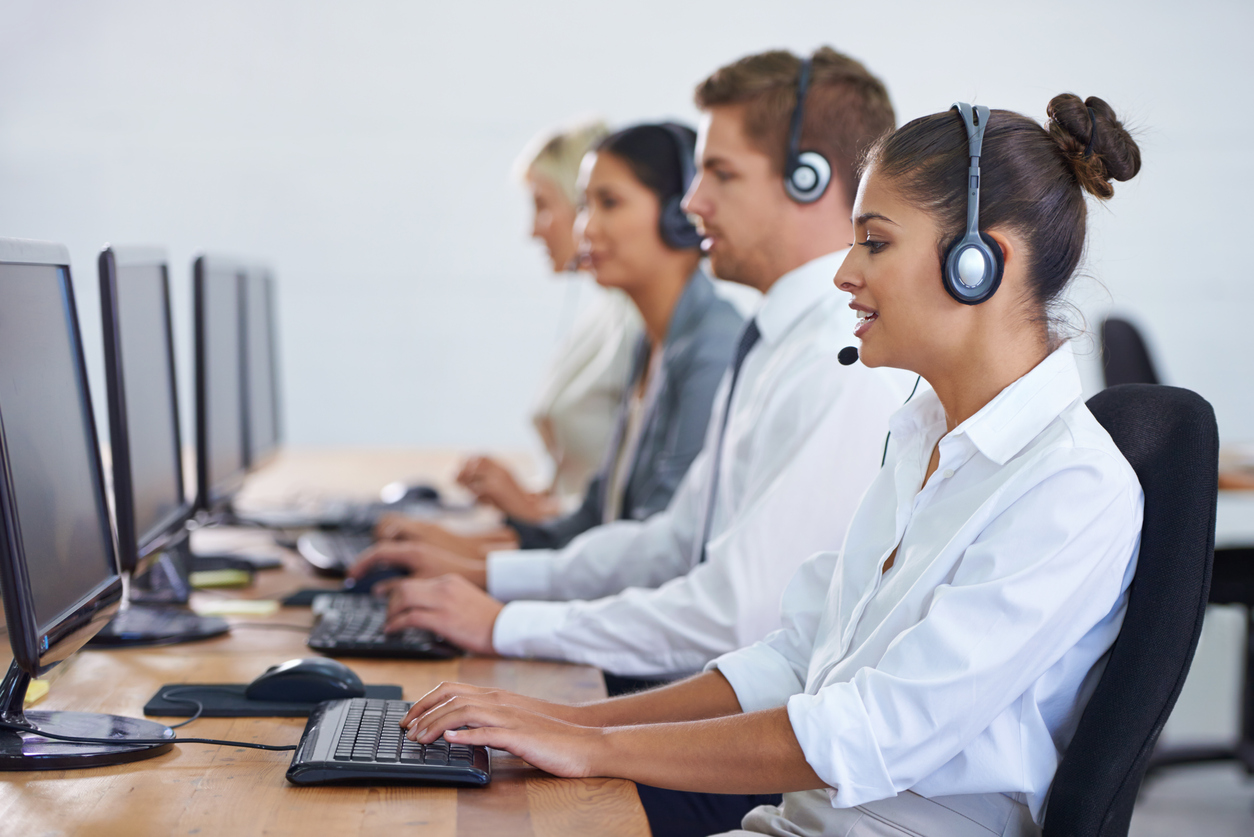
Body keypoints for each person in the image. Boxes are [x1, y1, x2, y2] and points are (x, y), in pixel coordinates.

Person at [386, 91, 1146, 837]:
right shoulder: (920, 436)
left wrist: (592, 745)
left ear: (982, 263)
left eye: (875, 243)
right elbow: (795, 657)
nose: (845, 272)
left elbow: (867, 730)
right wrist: (568, 723)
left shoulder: (1071, 486)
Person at [354, 47, 910, 833]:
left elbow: (733, 616)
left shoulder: (836, 365)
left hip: (747, 753)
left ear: (808, 179)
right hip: (714, 713)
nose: (691, 201)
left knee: (471, 811)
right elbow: (668, 543)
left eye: (719, 173)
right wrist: (502, 611)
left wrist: (516, 639)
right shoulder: (778, 343)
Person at [456, 117, 643, 524]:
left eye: (542, 206)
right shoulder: (605, 315)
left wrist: (525, 508)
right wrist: (522, 496)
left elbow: (625, 520)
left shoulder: (639, 327)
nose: (532, 231)